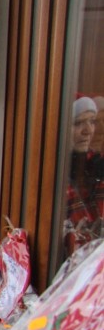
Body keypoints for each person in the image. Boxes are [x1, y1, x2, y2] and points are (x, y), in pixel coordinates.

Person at [64, 95, 103, 256]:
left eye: (92, 121)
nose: (88, 131)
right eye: (78, 123)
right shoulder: (56, 173)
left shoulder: (97, 166)